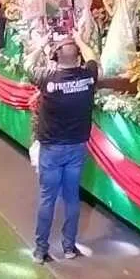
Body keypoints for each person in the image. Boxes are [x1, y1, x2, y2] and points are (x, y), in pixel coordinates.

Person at [28, 34, 98, 264]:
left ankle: (41, 250)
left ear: (55, 56)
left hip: (52, 149)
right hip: (76, 147)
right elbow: (93, 57)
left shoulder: (47, 78)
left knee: (47, 199)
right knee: (71, 198)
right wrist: (79, 38)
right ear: (77, 55)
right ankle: (69, 247)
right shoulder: (88, 76)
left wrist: (41, 45)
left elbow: (28, 65)